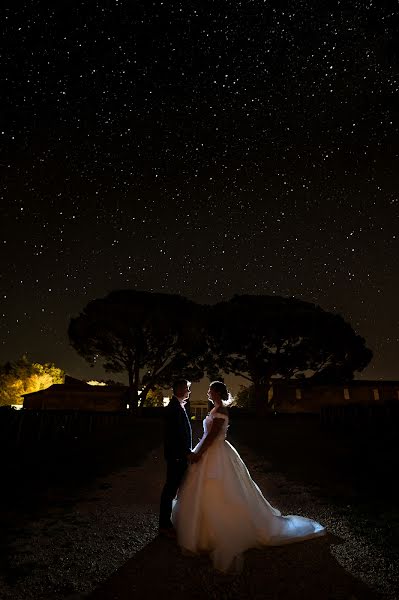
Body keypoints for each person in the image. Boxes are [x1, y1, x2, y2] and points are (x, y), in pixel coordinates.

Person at [172, 381, 325, 572]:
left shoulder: (221, 411)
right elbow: (207, 436)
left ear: (217, 392)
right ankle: (198, 529)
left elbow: (211, 437)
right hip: (210, 450)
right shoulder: (216, 408)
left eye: (211, 389)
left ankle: (217, 532)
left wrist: (199, 454)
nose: (208, 392)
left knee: (219, 489)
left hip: (215, 452)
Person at [159, 379, 198, 538]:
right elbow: (175, 437)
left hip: (179, 456)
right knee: (170, 490)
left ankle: (171, 521)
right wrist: (184, 453)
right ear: (180, 389)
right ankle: (164, 525)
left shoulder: (178, 406)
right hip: (177, 457)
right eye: (187, 389)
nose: (189, 392)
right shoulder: (174, 409)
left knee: (173, 489)